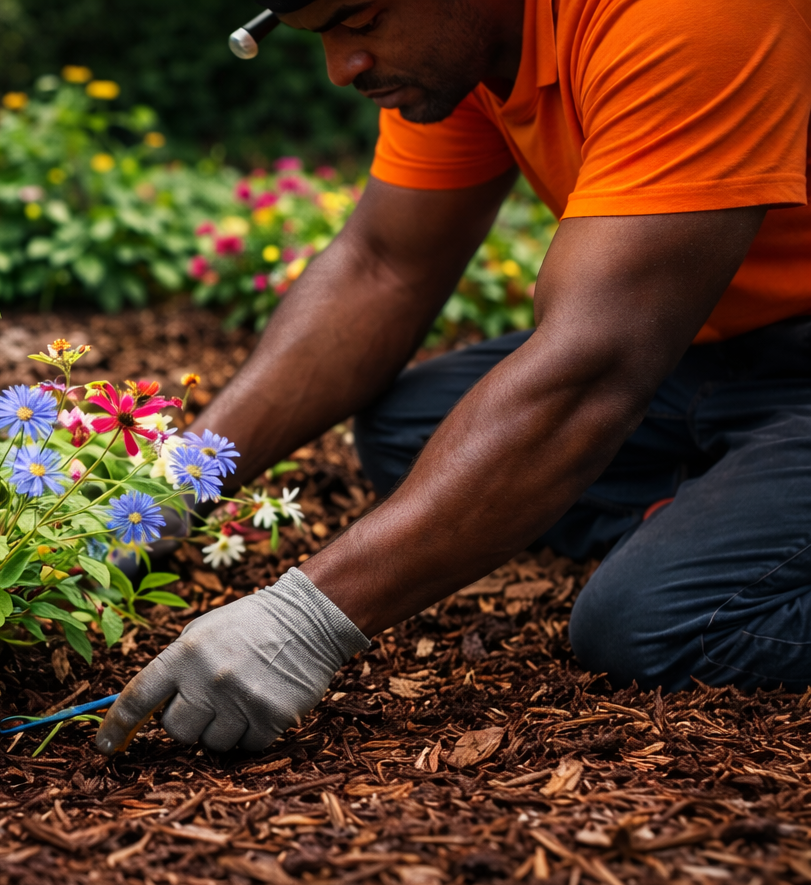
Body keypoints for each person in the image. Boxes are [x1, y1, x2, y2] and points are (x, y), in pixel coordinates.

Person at [94, 0, 811, 755]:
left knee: (651, 622)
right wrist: (174, 486)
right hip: (712, 351)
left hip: (746, 355)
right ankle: (731, 514)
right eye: (320, 36)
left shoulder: (688, 16)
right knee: (412, 432)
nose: (343, 68)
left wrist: (306, 619)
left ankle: (725, 539)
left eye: (361, 20)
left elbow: (595, 364)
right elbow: (383, 269)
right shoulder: (472, 47)